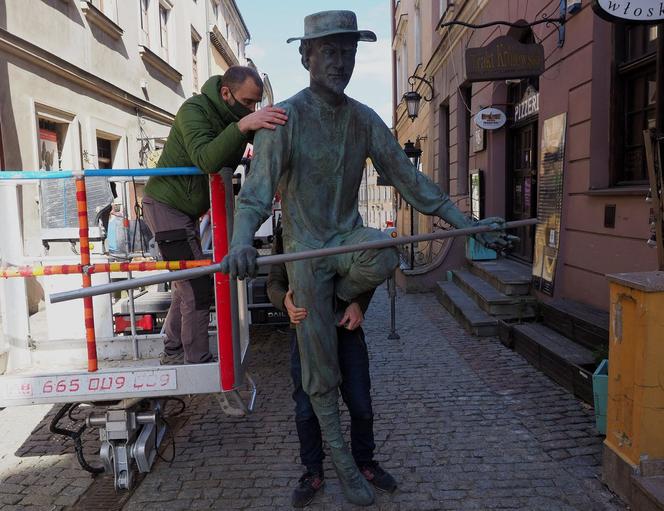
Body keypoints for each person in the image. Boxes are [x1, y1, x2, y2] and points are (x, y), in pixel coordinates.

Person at [221, 11, 513, 506]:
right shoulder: (282, 123)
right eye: (330, 52)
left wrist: (468, 223)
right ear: (306, 56)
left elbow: (410, 179)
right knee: (318, 377)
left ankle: (344, 310)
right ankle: (340, 467)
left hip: (349, 245)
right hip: (308, 257)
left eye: (348, 53)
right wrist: (240, 242)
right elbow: (253, 197)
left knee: (386, 250)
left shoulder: (363, 118)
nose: (340, 62)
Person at [142, 66, 287, 365]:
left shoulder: (231, 115)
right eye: (247, 102)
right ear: (225, 93)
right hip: (166, 207)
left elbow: (262, 142)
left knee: (185, 285)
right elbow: (207, 159)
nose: (252, 109)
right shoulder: (193, 110)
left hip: (185, 213)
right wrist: (245, 124)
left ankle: (172, 347)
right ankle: (197, 361)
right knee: (197, 286)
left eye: (256, 103)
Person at [267, 230, 396, 508]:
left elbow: (369, 269)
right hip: (305, 329)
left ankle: (365, 463)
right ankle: (313, 471)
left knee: (361, 403)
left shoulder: (341, 221)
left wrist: (358, 303)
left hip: (345, 328)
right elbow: (275, 281)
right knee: (305, 406)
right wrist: (284, 302)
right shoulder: (288, 230)